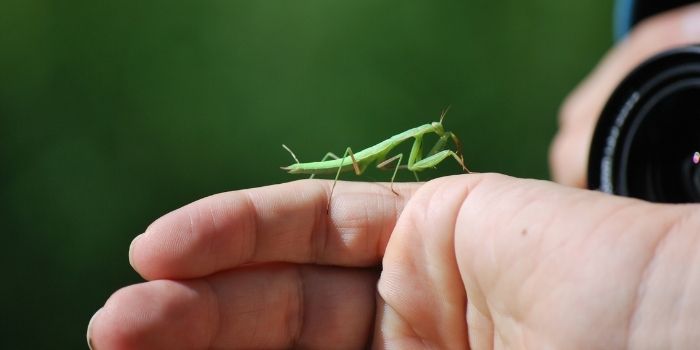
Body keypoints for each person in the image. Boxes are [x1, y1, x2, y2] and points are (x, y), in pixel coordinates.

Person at [87, 5, 700, 349]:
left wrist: (659, 306)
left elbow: (412, 160)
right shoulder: (406, 155)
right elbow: (396, 159)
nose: (441, 143)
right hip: (344, 165)